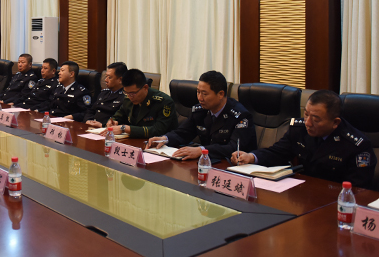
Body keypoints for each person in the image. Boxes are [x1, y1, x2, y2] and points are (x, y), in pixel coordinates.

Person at [231, 90, 377, 189]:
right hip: (304, 194)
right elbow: (277, 152)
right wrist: (251, 157)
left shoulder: (357, 146)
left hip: (333, 201)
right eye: (306, 114)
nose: (308, 123)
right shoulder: (299, 129)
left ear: (335, 122)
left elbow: (357, 190)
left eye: (316, 119)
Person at [146, 71, 257, 160]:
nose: (199, 98)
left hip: (234, 166)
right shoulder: (200, 110)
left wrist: (201, 150)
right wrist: (164, 139)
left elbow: (233, 148)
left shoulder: (240, 116)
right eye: (198, 92)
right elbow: (183, 133)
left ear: (220, 94)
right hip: (206, 163)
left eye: (204, 94)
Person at [106, 69, 178, 139]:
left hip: (160, 143)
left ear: (145, 88)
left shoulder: (163, 101)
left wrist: (126, 129)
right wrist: (113, 122)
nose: (130, 97)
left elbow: (158, 130)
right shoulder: (128, 98)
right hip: (135, 141)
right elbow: (119, 115)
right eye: (126, 92)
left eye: (133, 93)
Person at [68, 62, 127, 126]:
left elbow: (121, 120)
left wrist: (102, 125)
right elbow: (90, 110)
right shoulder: (104, 93)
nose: (105, 80)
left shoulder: (125, 97)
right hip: (92, 127)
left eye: (109, 77)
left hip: (106, 129)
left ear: (120, 80)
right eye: (106, 76)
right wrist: (88, 120)